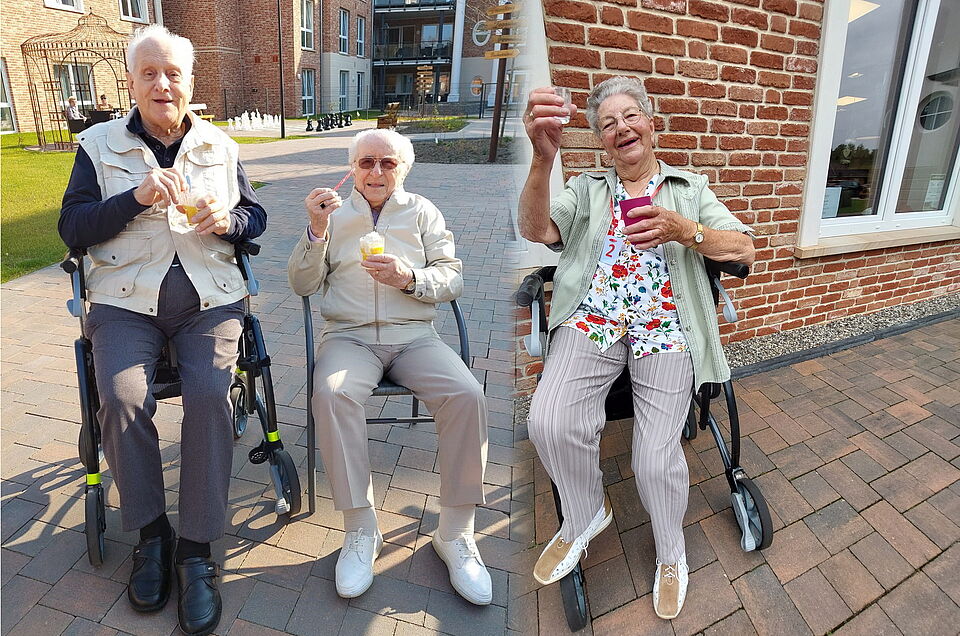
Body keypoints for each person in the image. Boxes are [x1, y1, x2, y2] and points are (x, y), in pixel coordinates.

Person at [519, 76, 755, 620]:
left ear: (650, 123)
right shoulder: (587, 189)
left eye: (631, 116)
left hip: (665, 329)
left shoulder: (689, 188)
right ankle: (584, 514)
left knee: (653, 460)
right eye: (607, 123)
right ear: (601, 140)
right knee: (548, 421)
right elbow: (536, 228)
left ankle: (671, 553)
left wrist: (684, 229)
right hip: (595, 320)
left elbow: (743, 247)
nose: (621, 127)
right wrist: (540, 161)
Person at [58, 24, 266, 636]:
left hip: (210, 302)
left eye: (173, 72)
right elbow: (72, 228)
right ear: (131, 81)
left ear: (191, 81)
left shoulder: (221, 147)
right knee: (120, 397)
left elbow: (255, 218)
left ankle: (196, 550)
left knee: (209, 397)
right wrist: (136, 198)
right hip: (125, 302)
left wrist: (231, 219)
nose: (162, 83)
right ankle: (152, 535)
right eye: (149, 72)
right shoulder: (96, 146)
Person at [287, 128, 492, 605]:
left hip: (415, 336)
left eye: (387, 163)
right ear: (351, 169)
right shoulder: (332, 215)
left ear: (404, 168)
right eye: (366, 163)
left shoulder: (422, 211)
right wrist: (315, 233)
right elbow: (300, 284)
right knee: (333, 393)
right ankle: (362, 529)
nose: (376, 172)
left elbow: (452, 277)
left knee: (467, 395)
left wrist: (410, 278)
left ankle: (456, 533)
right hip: (349, 337)